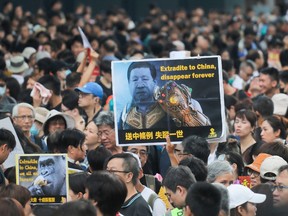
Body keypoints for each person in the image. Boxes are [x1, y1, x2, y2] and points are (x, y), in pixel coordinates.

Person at [119, 61, 207, 129]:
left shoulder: (172, 103)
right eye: (135, 80)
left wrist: (184, 113)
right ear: (129, 84)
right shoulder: (125, 113)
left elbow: (201, 133)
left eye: (145, 79)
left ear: (154, 83)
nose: (140, 85)